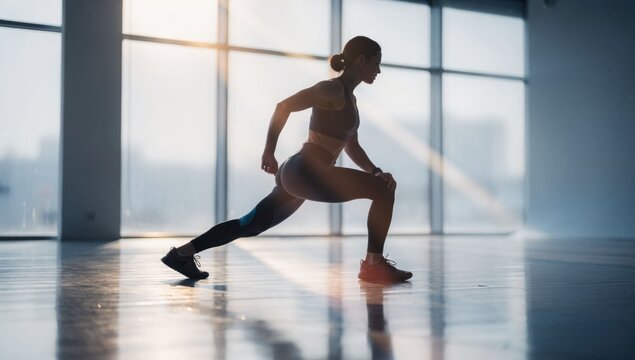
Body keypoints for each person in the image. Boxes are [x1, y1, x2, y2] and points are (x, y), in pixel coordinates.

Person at [161, 36, 412, 283]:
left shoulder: (351, 99)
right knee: (383, 191)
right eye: (376, 63)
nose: (379, 70)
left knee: (250, 224)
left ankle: (181, 254)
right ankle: (372, 265)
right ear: (361, 60)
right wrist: (269, 151)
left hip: (301, 173)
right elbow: (284, 106)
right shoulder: (331, 89)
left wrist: (376, 171)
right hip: (306, 170)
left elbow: (352, 146)